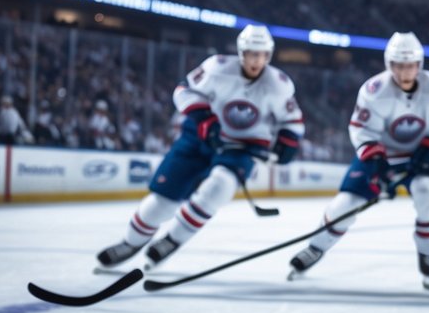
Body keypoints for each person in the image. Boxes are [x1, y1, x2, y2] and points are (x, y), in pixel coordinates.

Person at [95, 25, 303, 272]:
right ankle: (130, 243)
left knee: (220, 187)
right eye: (251, 53)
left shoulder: (279, 84)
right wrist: (205, 120)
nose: (256, 60)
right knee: (162, 202)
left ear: (269, 55)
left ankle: (173, 239)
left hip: (243, 147)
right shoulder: (217, 67)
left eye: (262, 54)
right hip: (199, 137)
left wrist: (288, 142)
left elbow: (292, 120)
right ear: (241, 52)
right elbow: (183, 91)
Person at [288, 32, 429, 293]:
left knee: (428, 193)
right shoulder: (374, 90)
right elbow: (361, 130)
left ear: (419, 65)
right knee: (347, 203)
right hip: (380, 155)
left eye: (409, 65)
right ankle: (315, 247)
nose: (404, 71)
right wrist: (375, 161)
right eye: (398, 64)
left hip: (424, 155)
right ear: (389, 64)